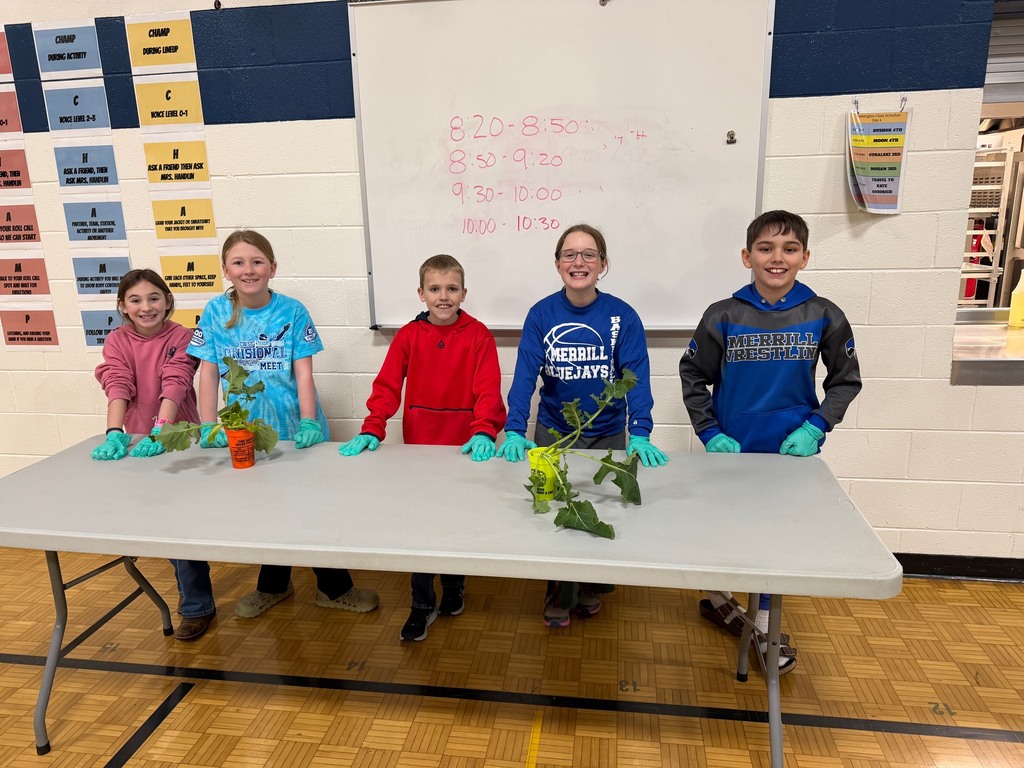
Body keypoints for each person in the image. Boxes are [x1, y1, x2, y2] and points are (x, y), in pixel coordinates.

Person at [678, 209, 862, 674]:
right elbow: (693, 375)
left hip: (789, 456)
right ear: (747, 257)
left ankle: (763, 623)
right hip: (733, 451)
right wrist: (709, 432)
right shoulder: (723, 314)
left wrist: (816, 427)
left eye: (789, 249)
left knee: (776, 540)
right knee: (728, 529)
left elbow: (845, 381)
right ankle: (720, 595)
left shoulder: (823, 314)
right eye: (765, 248)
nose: (777, 258)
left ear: (805, 257)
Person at [188, 229, 380, 620]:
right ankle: (273, 587)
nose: (248, 269)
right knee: (264, 511)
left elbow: (304, 373)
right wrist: (209, 426)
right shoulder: (215, 312)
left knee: (312, 512)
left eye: (257, 261)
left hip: (297, 431)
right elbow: (207, 373)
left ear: (272, 268)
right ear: (225, 269)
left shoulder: (292, 311)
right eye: (239, 262)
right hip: (246, 434)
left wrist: (309, 422)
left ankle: (335, 590)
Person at [496, 223, 669, 628]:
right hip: (554, 433)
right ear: (557, 264)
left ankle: (592, 584)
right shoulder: (541, 314)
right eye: (569, 254)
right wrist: (515, 428)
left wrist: (641, 430)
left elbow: (637, 376)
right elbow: (525, 375)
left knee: (601, 509)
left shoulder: (623, 316)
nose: (579, 262)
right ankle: (558, 588)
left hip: (607, 434)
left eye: (589, 254)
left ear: (602, 264)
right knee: (555, 511)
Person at [339, 254, 506, 642]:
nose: (443, 296)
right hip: (418, 450)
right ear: (421, 293)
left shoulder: (479, 335)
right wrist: (373, 427)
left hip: (464, 450)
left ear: (464, 293)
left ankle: (454, 587)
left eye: (451, 288)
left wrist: (484, 430)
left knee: (456, 524)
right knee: (420, 528)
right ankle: (421, 602)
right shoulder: (408, 336)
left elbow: (488, 390)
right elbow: (386, 386)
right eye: (435, 289)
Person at [91, 269, 214, 641]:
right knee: (163, 524)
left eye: (154, 298)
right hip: (138, 444)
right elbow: (117, 383)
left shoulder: (182, 336)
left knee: (180, 526)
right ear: (122, 306)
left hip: (179, 438)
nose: (146, 307)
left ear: (168, 300)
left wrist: (162, 429)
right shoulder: (117, 340)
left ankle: (197, 607)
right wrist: (115, 433)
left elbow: (176, 382)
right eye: (136, 300)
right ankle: (193, 596)